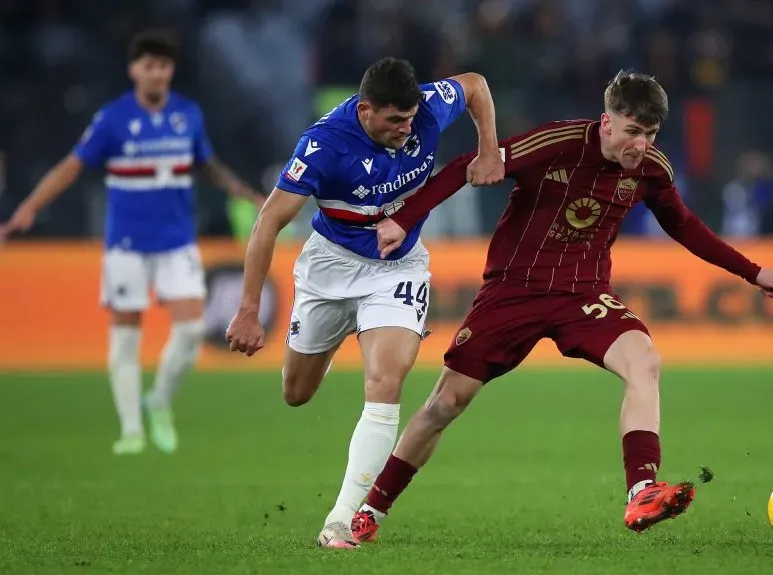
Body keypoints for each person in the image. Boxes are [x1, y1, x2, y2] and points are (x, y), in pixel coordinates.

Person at [352, 71, 773, 543]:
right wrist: (402, 219)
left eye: (649, 134)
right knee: (445, 403)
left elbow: (684, 225)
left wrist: (752, 272)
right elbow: (469, 163)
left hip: (583, 296)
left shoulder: (651, 170)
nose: (640, 144)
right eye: (631, 131)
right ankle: (371, 510)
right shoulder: (557, 143)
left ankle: (642, 490)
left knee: (644, 361)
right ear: (607, 123)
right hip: (513, 292)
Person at [224, 57, 502, 549]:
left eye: (411, 119)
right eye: (395, 121)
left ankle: (342, 519)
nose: (406, 129)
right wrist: (248, 307)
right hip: (329, 267)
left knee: (385, 381)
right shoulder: (323, 144)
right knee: (296, 392)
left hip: (398, 265)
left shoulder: (427, 109)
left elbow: (477, 84)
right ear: (366, 110)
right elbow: (268, 222)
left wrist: (487, 151)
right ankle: (330, 338)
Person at [0, 30, 263, 456]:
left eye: (163, 65)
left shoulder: (187, 115)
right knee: (125, 338)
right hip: (126, 244)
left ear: (170, 70)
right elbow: (71, 167)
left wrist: (247, 193)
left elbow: (208, 165)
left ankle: (157, 401)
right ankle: (130, 430)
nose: (156, 73)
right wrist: (29, 208)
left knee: (193, 329)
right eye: (148, 65)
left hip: (177, 241)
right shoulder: (112, 119)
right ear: (134, 70)